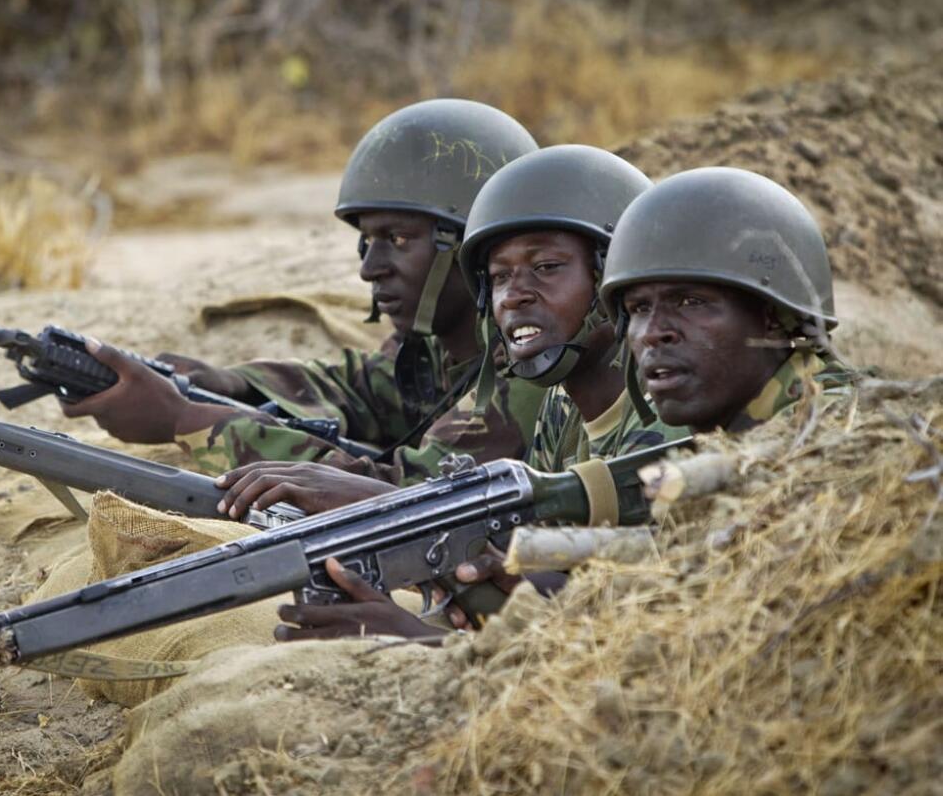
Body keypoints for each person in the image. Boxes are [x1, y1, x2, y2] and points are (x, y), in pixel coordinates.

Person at [268, 145, 687, 640]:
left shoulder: (669, 413)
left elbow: (646, 615)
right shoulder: (561, 406)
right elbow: (557, 577)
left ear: (612, 276)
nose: (514, 295)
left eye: (547, 267)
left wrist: (420, 640)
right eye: (500, 277)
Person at [63, 100, 544, 502]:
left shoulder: (530, 363)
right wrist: (230, 387)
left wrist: (184, 421)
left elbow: (407, 499)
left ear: (473, 248)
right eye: (366, 242)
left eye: (396, 239)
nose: (369, 268)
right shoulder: (447, 346)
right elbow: (362, 391)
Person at [598, 166, 855, 434]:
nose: (651, 334)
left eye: (690, 302)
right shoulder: (732, 434)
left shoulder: (834, 437)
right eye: (639, 308)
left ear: (774, 317)